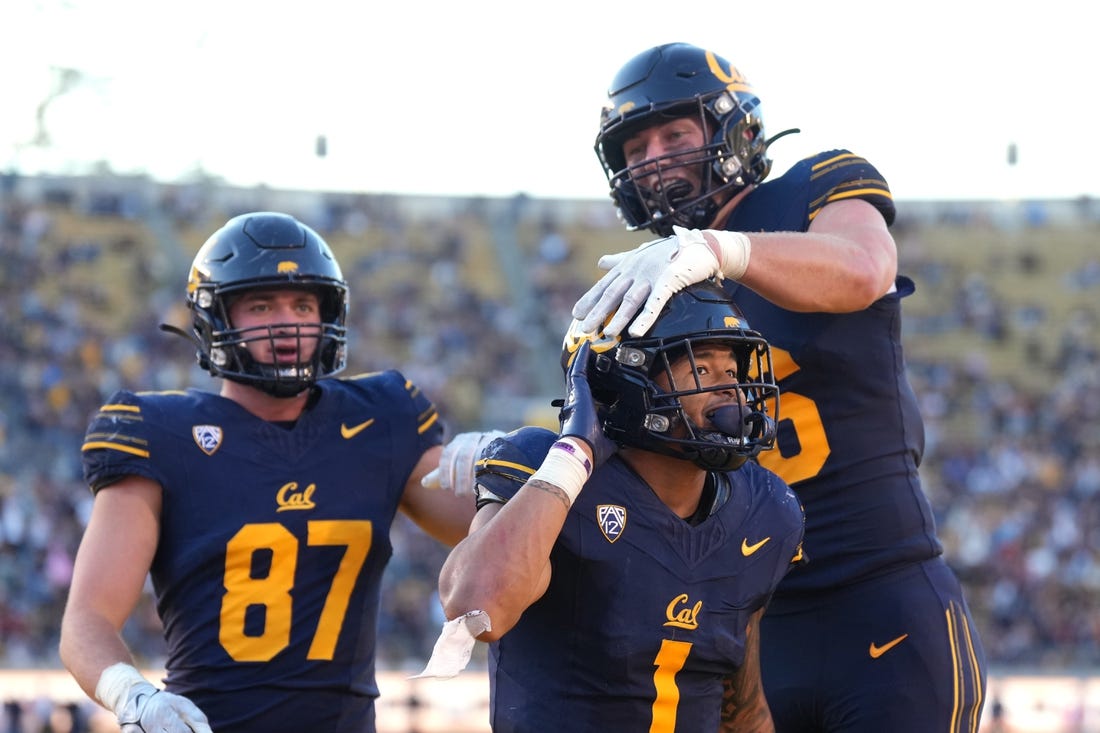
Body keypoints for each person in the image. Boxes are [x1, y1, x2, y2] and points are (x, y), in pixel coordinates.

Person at [570, 42, 987, 732]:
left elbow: (863, 267)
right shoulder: (651, 284)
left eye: (675, 133)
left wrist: (722, 248)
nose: (654, 157)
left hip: (880, 598)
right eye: (636, 146)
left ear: (733, 129)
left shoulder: (813, 188)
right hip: (748, 634)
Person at [58, 211, 477, 732]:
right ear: (217, 319)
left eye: (303, 304)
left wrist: (505, 472)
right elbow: (87, 620)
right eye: (261, 305)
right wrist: (133, 696)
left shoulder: (381, 418)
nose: (288, 324)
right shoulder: (159, 433)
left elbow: (481, 529)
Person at [426, 281, 805, 733]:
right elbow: (477, 611)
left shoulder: (766, 508)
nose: (733, 392)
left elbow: (743, 709)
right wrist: (571, 459)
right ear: (628, 381)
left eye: (733, 370)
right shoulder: (546, 466)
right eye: (702, 369)